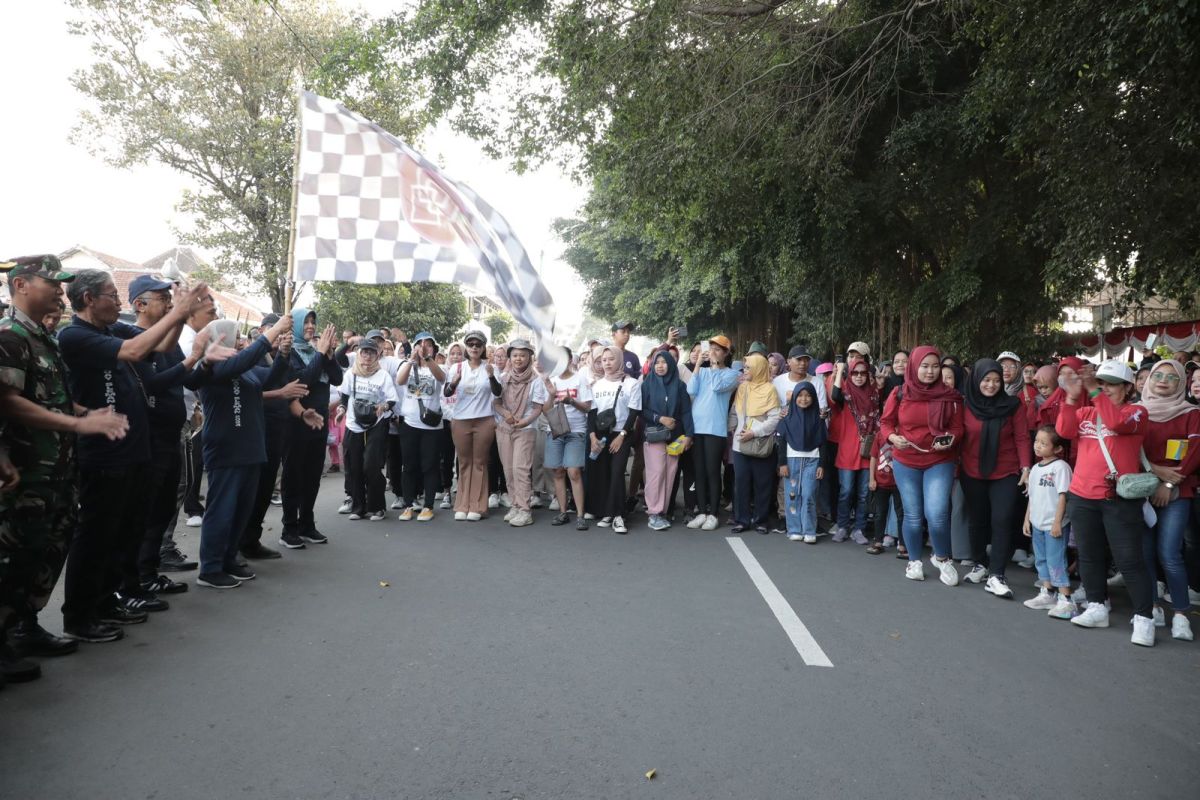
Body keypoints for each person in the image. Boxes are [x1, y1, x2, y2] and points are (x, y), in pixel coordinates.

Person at [58, 269, 209, 637]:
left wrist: (179, 314)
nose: (119, 301)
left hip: (131, 449)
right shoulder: (75, 335)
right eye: (112, 294)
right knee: (94, 536)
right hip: (102, 453)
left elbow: (157, 346)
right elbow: (137, 350)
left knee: (121, 532)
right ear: (90, 299)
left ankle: (106, 601)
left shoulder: (110, 330)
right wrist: (180, 313)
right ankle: (79, 616)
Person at [0, 257, 129, 670]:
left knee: (45, 551)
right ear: (20, 284)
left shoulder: (44, 337)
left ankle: (26, 624)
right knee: (13, 556)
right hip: (24, 470)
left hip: (56, 469)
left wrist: (85, 414)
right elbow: (9, 401)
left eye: (62, 284)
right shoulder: (10, 336)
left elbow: (49, 396)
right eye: (51, 282)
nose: (59, 291)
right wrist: (77, 423)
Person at [127, 276, 218, 595]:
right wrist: (193, 356)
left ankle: (150, 572)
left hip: (170, 435)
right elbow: (154, 382)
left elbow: (187, 379)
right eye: (162, 297)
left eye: (171, 297)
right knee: (147, 511)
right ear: (140, 304)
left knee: (165, 505)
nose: (169, 302)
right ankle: (136, 578)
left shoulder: (164, 340)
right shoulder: (134, 338)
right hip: (149, 438)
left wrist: (204, 364)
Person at [1056, 360, 1157, 645]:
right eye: (1102, 383)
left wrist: (1093, 391)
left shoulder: (1137, 412)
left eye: (1112, 384)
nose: (1105, 388)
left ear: (1127, 388)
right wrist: (1073, 397)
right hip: (1082, 494)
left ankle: (1144, 618)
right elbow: (1063, 430)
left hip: (1118, 498)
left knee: (1129, 560)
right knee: (1089, 555)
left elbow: (1116, 422)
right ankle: (1096, 605)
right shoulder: (1087, 411)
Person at [190, 317, 293, 588]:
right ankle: (210, 568)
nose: (241, 340)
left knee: (240, 511)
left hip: (250, 448)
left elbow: (269, 379)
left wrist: (281, 355)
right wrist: (273, 332)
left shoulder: (246, 370)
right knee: (221, 510)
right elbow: (245, 359)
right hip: (225, 449)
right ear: (219, 340)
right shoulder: (212, 369)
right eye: (235, 336)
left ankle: (228, 558)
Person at [880, 345, 965, 585]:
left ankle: (942, 558)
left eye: (935, 366)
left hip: (939, 459)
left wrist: (948, 440)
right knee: (913, 514)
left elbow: (958, 428)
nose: (930, 371)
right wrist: (893, 438)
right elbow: (885, 423)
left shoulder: (950, 395)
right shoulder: (899, 393)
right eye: (925, 366)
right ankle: (915, 560)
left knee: (937, 513)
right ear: (914, 366)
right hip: (905, 460)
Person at [959, 358, 1032, 597]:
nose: (991, 385)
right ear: (976, 380)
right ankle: (980, 564)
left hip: (1006, 470)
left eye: (996, 380)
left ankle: (997, 574)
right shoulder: (965, 404)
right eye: (986, 380)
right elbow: (957, 434)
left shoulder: (1013, 405)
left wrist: (1026, 467)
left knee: (1002, 519)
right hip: (972, 469)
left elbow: (1022, 437)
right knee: (977, 519)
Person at [1140, 359, 1199, 641]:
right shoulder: (1138, 412)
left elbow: (1193, 454)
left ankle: (1180, 614)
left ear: (1182, 384)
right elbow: (1131, 451)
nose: (1163, 380)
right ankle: (1152, 606)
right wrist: (1154, 472)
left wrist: (1166, 482)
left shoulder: (1191, 414)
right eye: (1157, 375)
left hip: (1176, 492)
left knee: (1170, 554)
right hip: (1142, 492)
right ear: (1149, 380)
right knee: (1146, 552)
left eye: (1171, 377)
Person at [279, 308, 342, 548]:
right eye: (306, 322)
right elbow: (302, 382)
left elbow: (337, 379)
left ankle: (307, 523)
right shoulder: (289, 352)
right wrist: (319, 354)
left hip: (319, 423)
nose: (311, 326)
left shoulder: (317, 352)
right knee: (293, 475)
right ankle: (289, 528)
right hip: (296, 423)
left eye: (313, 322)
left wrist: (329, 354)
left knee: (313, 475)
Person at [335, 337, 398, 521]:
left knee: (371, 465)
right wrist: (341, 410)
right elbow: (345, 397)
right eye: (364, 352)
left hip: (376, 424)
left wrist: (384, 407)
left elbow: (392, 399)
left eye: (371, 353)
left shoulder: (383, 375)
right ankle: (358, 507)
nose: (367, 357)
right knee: (353, 467)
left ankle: (377, 507)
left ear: (377, 355)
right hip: (353, 424)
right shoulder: (351, 374)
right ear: (359, 354)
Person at [444, 330, 501, 521]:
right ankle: (462, 504)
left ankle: (477, 506)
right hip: (461, 420)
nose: (474, 348)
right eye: (471, 344)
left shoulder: (490, 367)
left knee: (480, 462)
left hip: (484, 419)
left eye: (478, 344)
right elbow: (446, 392)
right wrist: (453, 383)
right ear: (466, 347)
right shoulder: (457, 367)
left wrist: (492, 376)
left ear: (484, 347)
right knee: (464, 461)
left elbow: (498, 393)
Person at [1021, 426, 1076, 619]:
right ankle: (1048, 593)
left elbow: (1063, 497)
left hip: (1054, 524)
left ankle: (1066, 600)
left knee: (1056, 560)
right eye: (1036, 441)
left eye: (1044, 443)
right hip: (1037, 522)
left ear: (1058, 449)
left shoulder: (1061, 468)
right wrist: (1027, 518)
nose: (1037, 446)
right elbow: (1032, 497)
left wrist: (1057, 522)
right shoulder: (1035, 468)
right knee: (1041, 558)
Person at [493, 339, 548, 527]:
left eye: (523, 355)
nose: (518, 359)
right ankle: (515, 505)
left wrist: (523, 421)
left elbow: (537, 408)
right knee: (508, 469)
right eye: (515, 355)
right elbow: (496, 403)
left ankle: (525, 510)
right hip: (504, 428)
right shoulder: (503, 378)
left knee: (521, 469)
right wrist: (506, 414)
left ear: (529, 357)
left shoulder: (536, 380)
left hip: (525, 429)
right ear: (510, 357)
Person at [587, 345, 642, 533]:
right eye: (604, 360)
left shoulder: (631, 383)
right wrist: (593, 436)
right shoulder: (596, 385)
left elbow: (634, 412)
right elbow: (592, 413)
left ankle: (619, 516)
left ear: (618, 359)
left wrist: (622, 435)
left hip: (622, 434)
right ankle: (607, 512)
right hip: (601, 435)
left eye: (611, 359)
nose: (607, 363)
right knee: (604, 473)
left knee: (617, 472)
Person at [687, 336, 739, 531]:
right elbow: (691, 389)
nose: (714, 352)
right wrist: (699, 364)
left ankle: (714, 514)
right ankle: (701, 511)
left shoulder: (731, 374)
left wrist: (715, 366)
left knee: (712, 471)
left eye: (719, 350)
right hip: (697, 427)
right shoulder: (703, 371)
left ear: (726, 353)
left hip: (715, 429)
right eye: (712, 349)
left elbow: (718, 388)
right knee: (698, 471)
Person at [828, 357, 880, 545]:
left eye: (863, 373)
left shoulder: (874, 395)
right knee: (846, 491)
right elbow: (834, 395)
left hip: (867, 450)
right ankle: (842, 526)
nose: (859, 376)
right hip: (848, 451)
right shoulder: (846, 395)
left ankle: (859, 528)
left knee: (864, 493)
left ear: (868, 375)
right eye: (855, 373)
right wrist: (840, 371)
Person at [729, 351, 781, 534]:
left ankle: (761, 520)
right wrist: (733, 429)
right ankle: (741, 520)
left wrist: (754, 432)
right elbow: (735, 412)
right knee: (741, 483)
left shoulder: (770, 390)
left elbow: (775, 419)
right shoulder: (742, 388)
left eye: (749, 367)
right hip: (739, 444)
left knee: (763, 483)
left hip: (761, 444)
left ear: (759, 368)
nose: (746, 370)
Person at [641, 350, 693, 531]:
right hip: (655, 435)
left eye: (664, 362)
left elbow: (686, 411)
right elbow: (642, 410)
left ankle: (662, 512)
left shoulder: (679, 386)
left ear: (671, 364)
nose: (660, 366)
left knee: (670, 473)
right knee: (656, 473)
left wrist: (689, 435)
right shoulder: (647, 383)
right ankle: (654, 513)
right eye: (657, 362)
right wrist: (659, 418)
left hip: (676, 437)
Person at [397, 332, 446, 521]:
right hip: (410, 424)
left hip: (432, 427)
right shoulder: (406, 366)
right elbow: (400, 381)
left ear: (434, 349)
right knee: (408, 465)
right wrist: (411, 359)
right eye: (420, 344)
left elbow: (441, 378)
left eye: (429, 345)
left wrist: (427, 358)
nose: (424, 347)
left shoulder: (438, 367)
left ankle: (428, 506)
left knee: (430, 466)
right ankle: (409, 504)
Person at [544, 347, 593, 530]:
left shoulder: (580, 378)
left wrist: (571, 401)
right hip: (555, 430)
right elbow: (545, 409)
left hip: (576, 431)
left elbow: (588, 407)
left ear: (570, 359)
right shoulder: (552, 380)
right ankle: (563, 512)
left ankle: (580, 514)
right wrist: (551, 394)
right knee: (558, 472)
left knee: (574, 472)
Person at [777, 382, 825, 543]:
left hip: (813, 460)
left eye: (808, 395)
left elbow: (823, 442)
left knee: (809, 494)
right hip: (791, 461)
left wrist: (822, 465)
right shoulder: (786, 417)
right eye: (800, 395)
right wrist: (782, 463)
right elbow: (781, 440)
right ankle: (795, 529)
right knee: (792, 495)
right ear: (795, 397)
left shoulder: (819, 419)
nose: (804, 399)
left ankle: (809, 530)